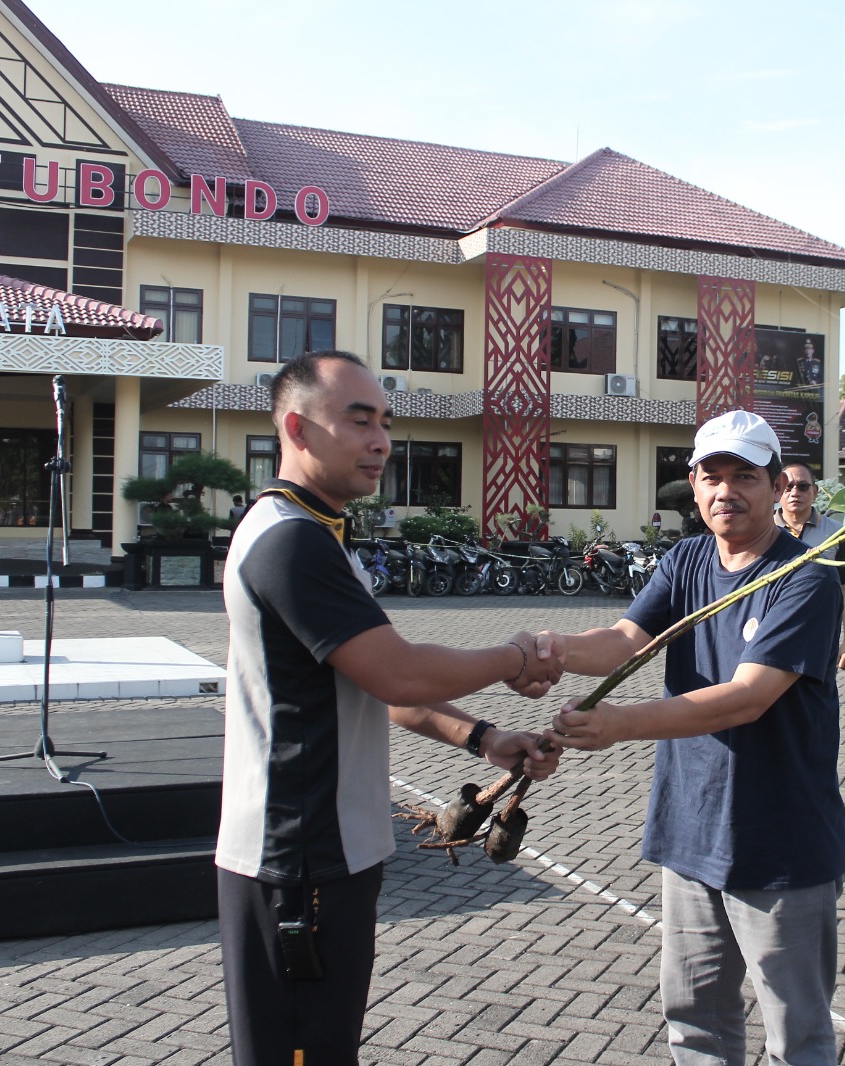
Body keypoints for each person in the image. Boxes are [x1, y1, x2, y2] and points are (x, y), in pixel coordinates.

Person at [219, 350, 563, 1066]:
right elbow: (397, 671)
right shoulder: (290, 541)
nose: (381, 441)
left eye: (385, 422)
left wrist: (482, 737)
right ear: (297, 428)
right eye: (359, 421)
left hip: (326, 851)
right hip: (300, 855)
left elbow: (368, 681)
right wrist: (512, 658)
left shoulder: (317, 531)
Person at [541, 410, 845, 1065]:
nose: (725, 491)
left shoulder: (806, 577)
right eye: (712, 477)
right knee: (694, 1019)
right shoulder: (686, 560)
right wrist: (549, 649)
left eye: (745, 476)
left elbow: (747, 697)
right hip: (691, 827)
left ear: (776, 486)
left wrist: (620, 723)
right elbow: (624, 641)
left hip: (780, 843)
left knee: (797, 1035)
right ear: (694, 484)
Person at [776, 462, 845, 670]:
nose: (795, 492)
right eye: (788, 487)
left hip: (820, 635)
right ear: (777, 491)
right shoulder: (762, 531)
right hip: (772, 630)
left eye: (803, 486)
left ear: (814, 492)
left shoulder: (837, 533)